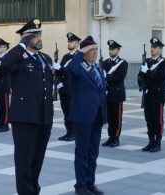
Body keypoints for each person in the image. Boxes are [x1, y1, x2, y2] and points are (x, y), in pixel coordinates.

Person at [0, 18, 54, 195]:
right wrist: (21, 45)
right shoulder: (18, 58)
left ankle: (33, 191)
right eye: (34, 35)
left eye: (40, 34)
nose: (39, 38)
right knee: (24, 162)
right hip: (24, 118)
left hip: (44, 117)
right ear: (25, 38)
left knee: (37, 161)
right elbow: (4, 65)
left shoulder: (45, 58)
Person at [67, 36, 107, 195]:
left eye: (96, 50)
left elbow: (101, 90)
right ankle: (81, 186)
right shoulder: (78, 68)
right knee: (82, 152)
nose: (95, 53)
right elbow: (71, 68)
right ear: (84, 52)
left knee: (93, 153)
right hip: (83, 117)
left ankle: (90, 183)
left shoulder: (97, 68)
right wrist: (79, 53)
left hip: (97, 116)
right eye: (92, 50)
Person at [138, 37, 165, 153]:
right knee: (149, 120)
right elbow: (140, 76)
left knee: (158, 120)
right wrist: (142, 84)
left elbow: (159, 77)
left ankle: (158, 142)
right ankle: (151, 141)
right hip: (147, 95)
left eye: (155, 47)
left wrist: (147, 73)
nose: (152, 49)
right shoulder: (147, 61)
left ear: (160, 49)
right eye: (152, 47)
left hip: (158, 95)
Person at [55, 32, 81, 141]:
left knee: (72, 111)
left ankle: (74, 133)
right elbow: (58, 72)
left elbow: (73, 71)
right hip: (64, 89)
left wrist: (60, 69)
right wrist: (58, 82)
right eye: (68, 41)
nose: (69, 43)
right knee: (66, 112)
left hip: (73, 89)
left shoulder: (79, 56)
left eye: (71, 41)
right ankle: (68, 131)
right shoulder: (66, 56)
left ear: (77, 43)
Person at [101, 40, 128, 147]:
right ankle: (110, 137)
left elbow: (120, 77)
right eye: (110, 49)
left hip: (117, 95)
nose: (111, 51)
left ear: (118, 50)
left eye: (113, 49)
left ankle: (116, 138)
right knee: (110, 118)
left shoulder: (122, 63)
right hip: (107, 94)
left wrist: (107, 77)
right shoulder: (105, 62)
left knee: (117, 118)